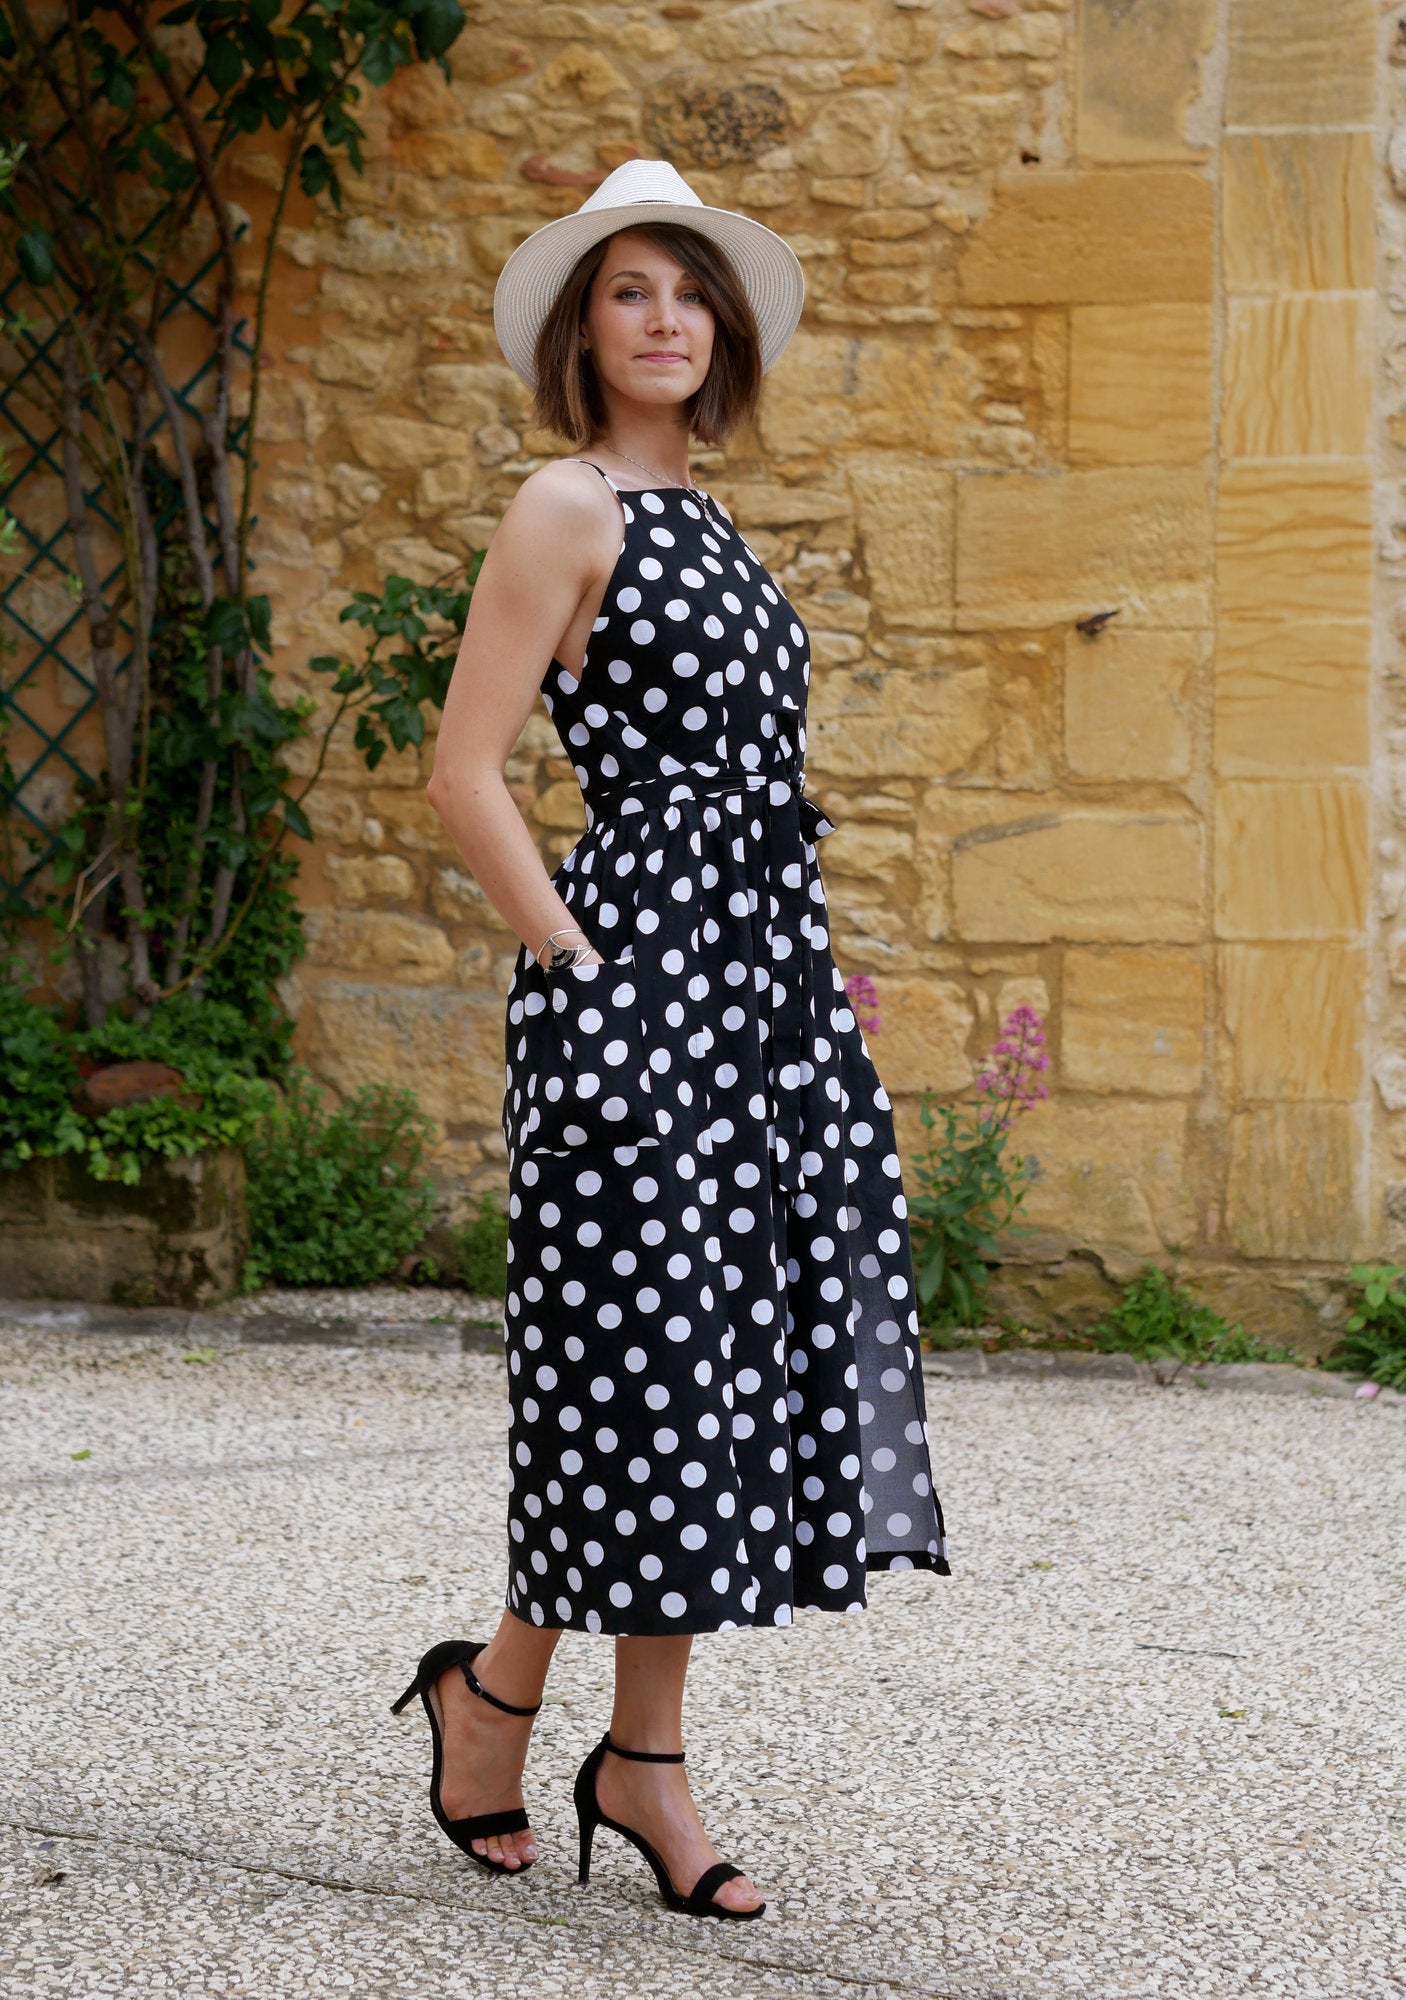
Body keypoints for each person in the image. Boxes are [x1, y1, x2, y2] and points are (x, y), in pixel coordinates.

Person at [393, 158, 949, 1922]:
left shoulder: (711, 523)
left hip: (758, 990)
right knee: (625, 1362)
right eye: (630, 290)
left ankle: (610, 1746)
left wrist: (793, 1002)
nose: (664, 318)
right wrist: (577, 967)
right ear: (584, 329)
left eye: (689, 292)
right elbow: (464, 771)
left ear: (723, 336)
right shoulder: (563, 506)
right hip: (634, 977)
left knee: (708, 1371)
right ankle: (522, 1714)